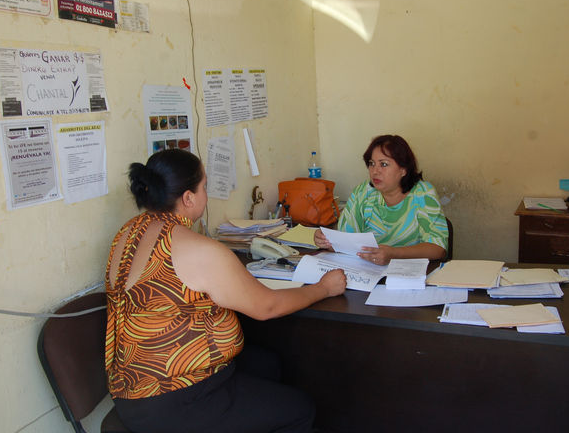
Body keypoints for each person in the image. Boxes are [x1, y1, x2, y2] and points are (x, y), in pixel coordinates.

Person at [106, 149, 346, 433]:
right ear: (188, 198)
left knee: (267, 364)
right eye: (204, 187)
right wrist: (323, 288)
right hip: (179, 397)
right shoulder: (195, 248)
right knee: (301, 408)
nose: (206, 196)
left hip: (133, 392)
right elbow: (267, 307)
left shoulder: (127, 233)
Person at [314, 134, 449, 265]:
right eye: (371, 164)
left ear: (403, 169)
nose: (375, 171)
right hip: (367, 270)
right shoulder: (363, 192)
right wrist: (326, 241)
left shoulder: (423, 194)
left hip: (409, 272)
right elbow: (345, 242)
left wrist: (394, 254)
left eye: (383, 164)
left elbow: (438, 248)